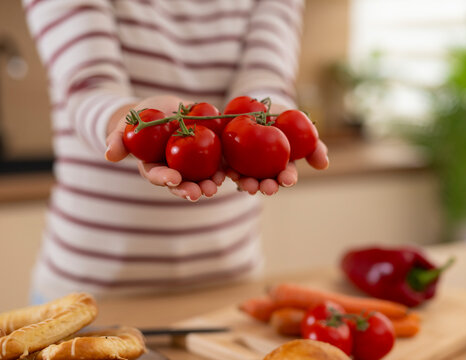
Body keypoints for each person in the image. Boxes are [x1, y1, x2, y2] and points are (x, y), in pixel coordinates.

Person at [23, 0, 328, 302]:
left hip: (229, 286)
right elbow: (88, 84)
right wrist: (130, 122)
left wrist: (274, 119)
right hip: (89, 294)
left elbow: (265, 78)